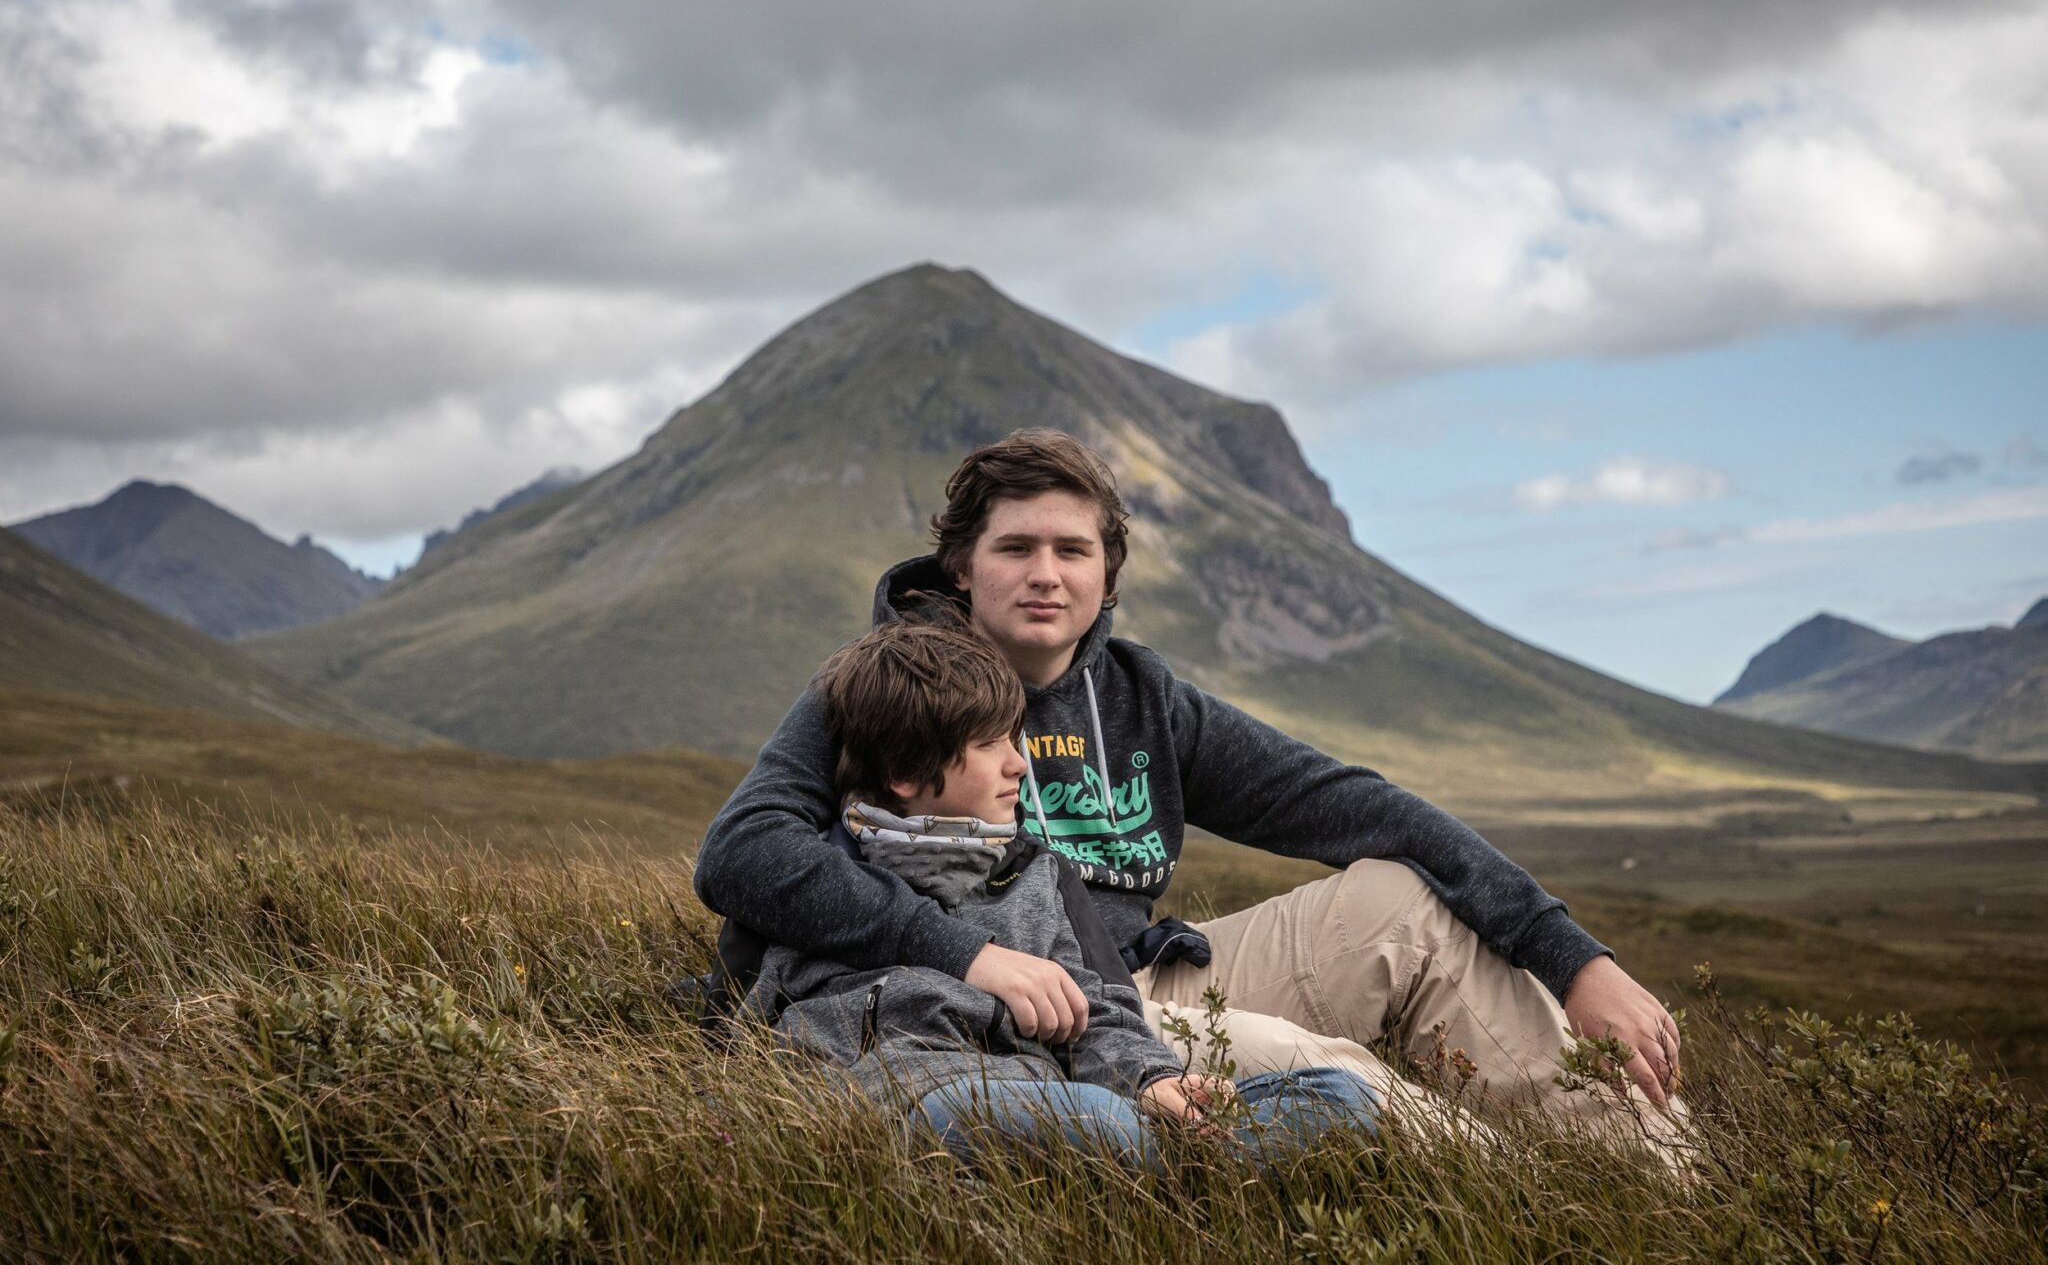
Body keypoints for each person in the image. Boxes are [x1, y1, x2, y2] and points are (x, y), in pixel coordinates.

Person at [697, 428, 1685, 1155]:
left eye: (1071, 550)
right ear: (960, 566)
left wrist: (1572, 958)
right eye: (1014, 548)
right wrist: (968, 950)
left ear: (1107, 575)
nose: (1045, 573)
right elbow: (741, 854)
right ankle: (1513, 1192)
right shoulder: (890, 688)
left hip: (1132, 982)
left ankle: (1659, 1178)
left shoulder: (1139, 699)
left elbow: (1359, 806)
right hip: (991, 1005)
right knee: (1319, 1071)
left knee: (1398, 900)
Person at [745, 618, 1379, 1170]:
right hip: (914, 1093)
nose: (1019, 764)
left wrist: (1151, 1077)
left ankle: (1175, 1155)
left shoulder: (1032, 874)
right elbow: (788, 1023)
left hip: (1051, 1092)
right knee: (1105, 1125)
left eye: (1014, 738)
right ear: (906, 774)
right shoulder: (818, 874)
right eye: (989, 743)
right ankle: (1198, 1162)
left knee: (1345, 1098)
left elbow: (1094, 1002)